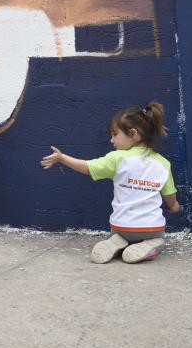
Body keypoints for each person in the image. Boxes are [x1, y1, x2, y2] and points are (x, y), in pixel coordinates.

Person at [41, 101, 180, 264]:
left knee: (117, 234)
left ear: (133, 134)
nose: (111, 140)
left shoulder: (118, 158)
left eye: (115, 134)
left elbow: (87, 167)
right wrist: (174, 207)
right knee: (156, 233)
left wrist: (62, 158)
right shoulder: (163, 164)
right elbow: (170, 197)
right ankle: (151, 243)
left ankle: (117, 241)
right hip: (152, 228)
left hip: (121, 227)